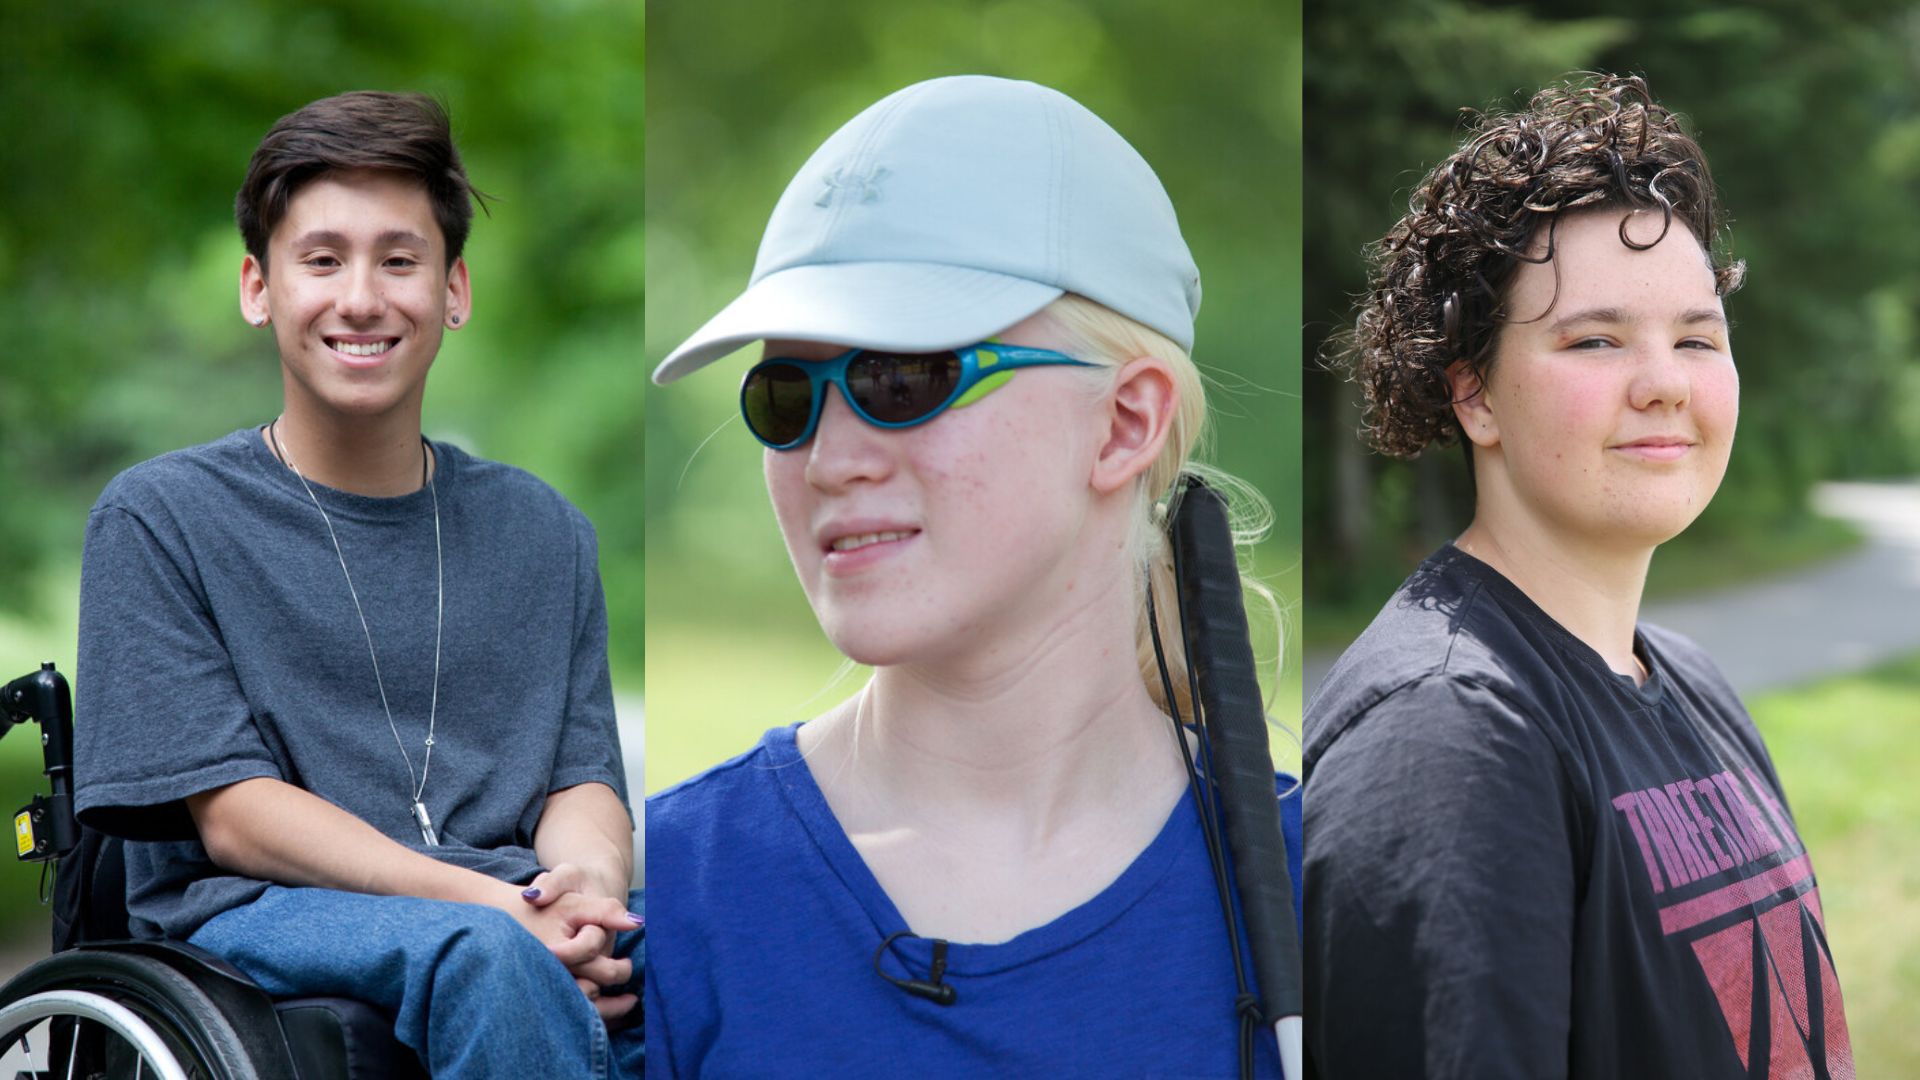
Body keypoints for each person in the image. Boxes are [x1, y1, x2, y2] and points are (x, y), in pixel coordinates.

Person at [647, 75, 1303, 1077]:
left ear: (1127, 421)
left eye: (902, 378)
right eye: (787, 395)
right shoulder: (673, 898)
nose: (830, 458)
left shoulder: (1336, 895)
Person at [72, 91, 644, 1078]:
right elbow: (235, 815)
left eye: (399, 259)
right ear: (259, 287)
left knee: (721, 935)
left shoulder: (542, 532)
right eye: (323, 259)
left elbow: (579, 776)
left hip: (501, 909)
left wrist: (586, 893)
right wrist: (489, 905)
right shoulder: (160, 518)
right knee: (494, 961)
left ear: (454, 289)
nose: (362, 297)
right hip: (259, 911)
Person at [1306, 75, 1853, 1078]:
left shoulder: (1690, 686)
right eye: (1595, 340)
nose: (1664, 381)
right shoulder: (1448, 737)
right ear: (1472, 393)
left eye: (1697, 336)